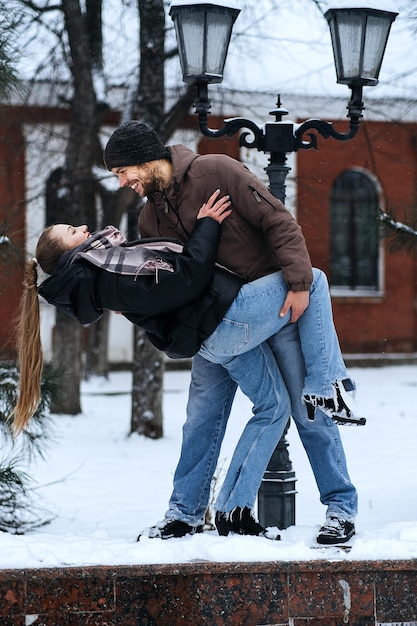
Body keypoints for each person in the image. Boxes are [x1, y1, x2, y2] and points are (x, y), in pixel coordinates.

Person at [13, 193, 363, 544]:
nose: (84, 227)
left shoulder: (109, 264)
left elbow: (160, 286)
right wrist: (208, 225)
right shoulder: (111, 266)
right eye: (73, 231)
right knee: (311, 299)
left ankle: (227, 511)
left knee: (278, 412)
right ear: (71, 256)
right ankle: (326, 391)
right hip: (231, 315)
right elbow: (185, 278)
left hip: (217, 324)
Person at [102, 121, 362, 545]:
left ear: (147, 159)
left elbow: (277, 220)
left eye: (123, 171)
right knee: (201, 420)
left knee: (306, 408)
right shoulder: (150, 217)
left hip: (274, 310)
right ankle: (183, 514)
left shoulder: (218, 171)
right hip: (215, 326)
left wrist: (297, 283)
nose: (123, 182)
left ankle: (340, 508)